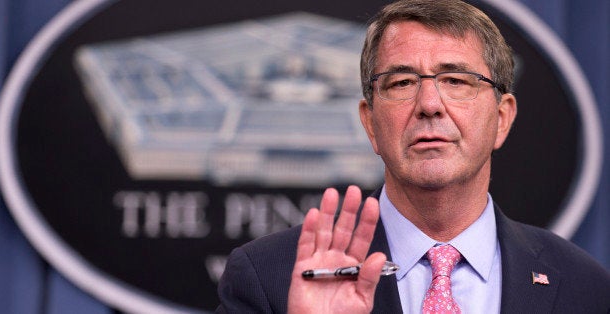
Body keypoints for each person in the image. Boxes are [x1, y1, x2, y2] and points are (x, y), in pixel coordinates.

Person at [216, 0, 610, 313]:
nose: (429, 105)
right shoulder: (269, 279)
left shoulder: (581, 286)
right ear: (370, 122)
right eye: (402, 82)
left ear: (502, 118)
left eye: (456, 80)